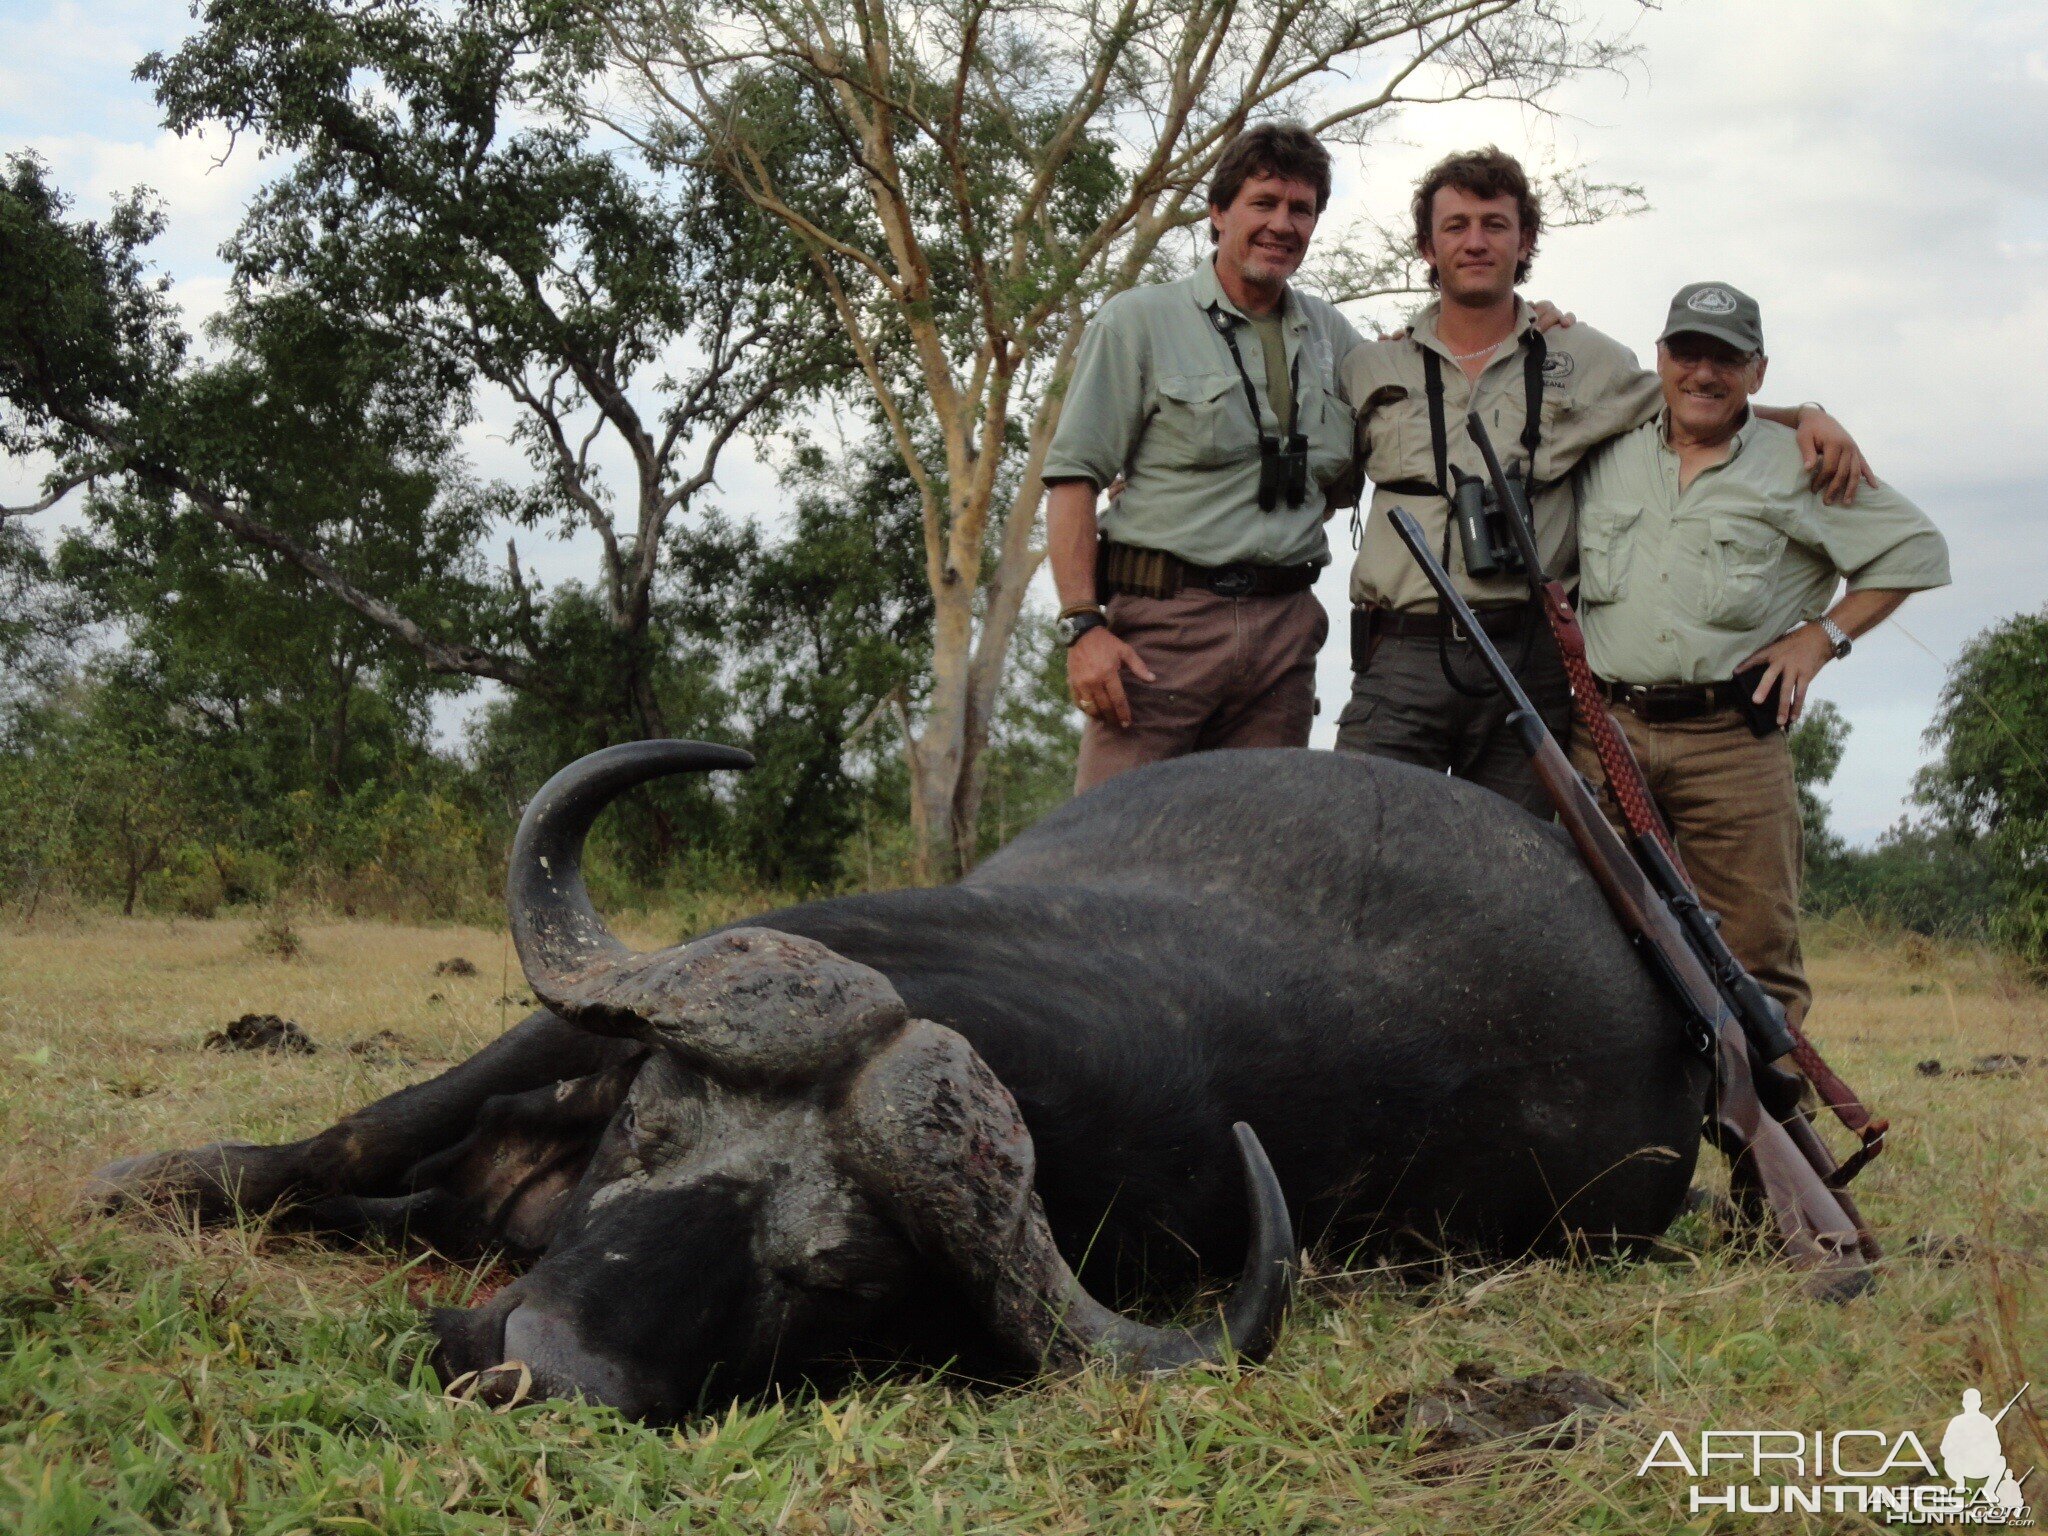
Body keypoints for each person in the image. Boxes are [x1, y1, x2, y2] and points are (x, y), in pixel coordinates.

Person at [1335, 147, 1872, 816]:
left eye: (1495, 224)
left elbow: (1694, 399)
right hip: (1402, 653)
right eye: (1457, 225)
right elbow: (1321, 483)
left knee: (1511, 871)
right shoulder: (1368, 364)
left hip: (1530, 659)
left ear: (1524, 240)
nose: (1476, 241)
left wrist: (1806, 415)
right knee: (1360, 836)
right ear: (1426, 244)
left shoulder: (1582, 356)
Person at [1570, 281, 1950, 1032]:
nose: (1703, 373)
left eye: (1727, 358)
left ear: (1758, 371)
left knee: (1756, 960)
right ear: (1661, 358)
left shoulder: (1799, 462)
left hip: (1731, 744)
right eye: (1688, 353)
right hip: (1602, 731)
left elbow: (1916, 549)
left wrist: (1823, 637)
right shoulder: (1606, 446)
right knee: (1589, 942)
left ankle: (1768, 1140)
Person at [1042, 122, 1361, 793]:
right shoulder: (1139, 321)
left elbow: (1409, 399)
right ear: (1218, 213)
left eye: (1300, 209)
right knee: (1109, 853)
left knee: (1253, 862)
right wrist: (1083, 627)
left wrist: (1529, 317)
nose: (1282, 224)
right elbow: (1073, 479)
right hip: (1162, 632)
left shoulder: (1331, 335)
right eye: (1263, 203)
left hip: (1284, 640)